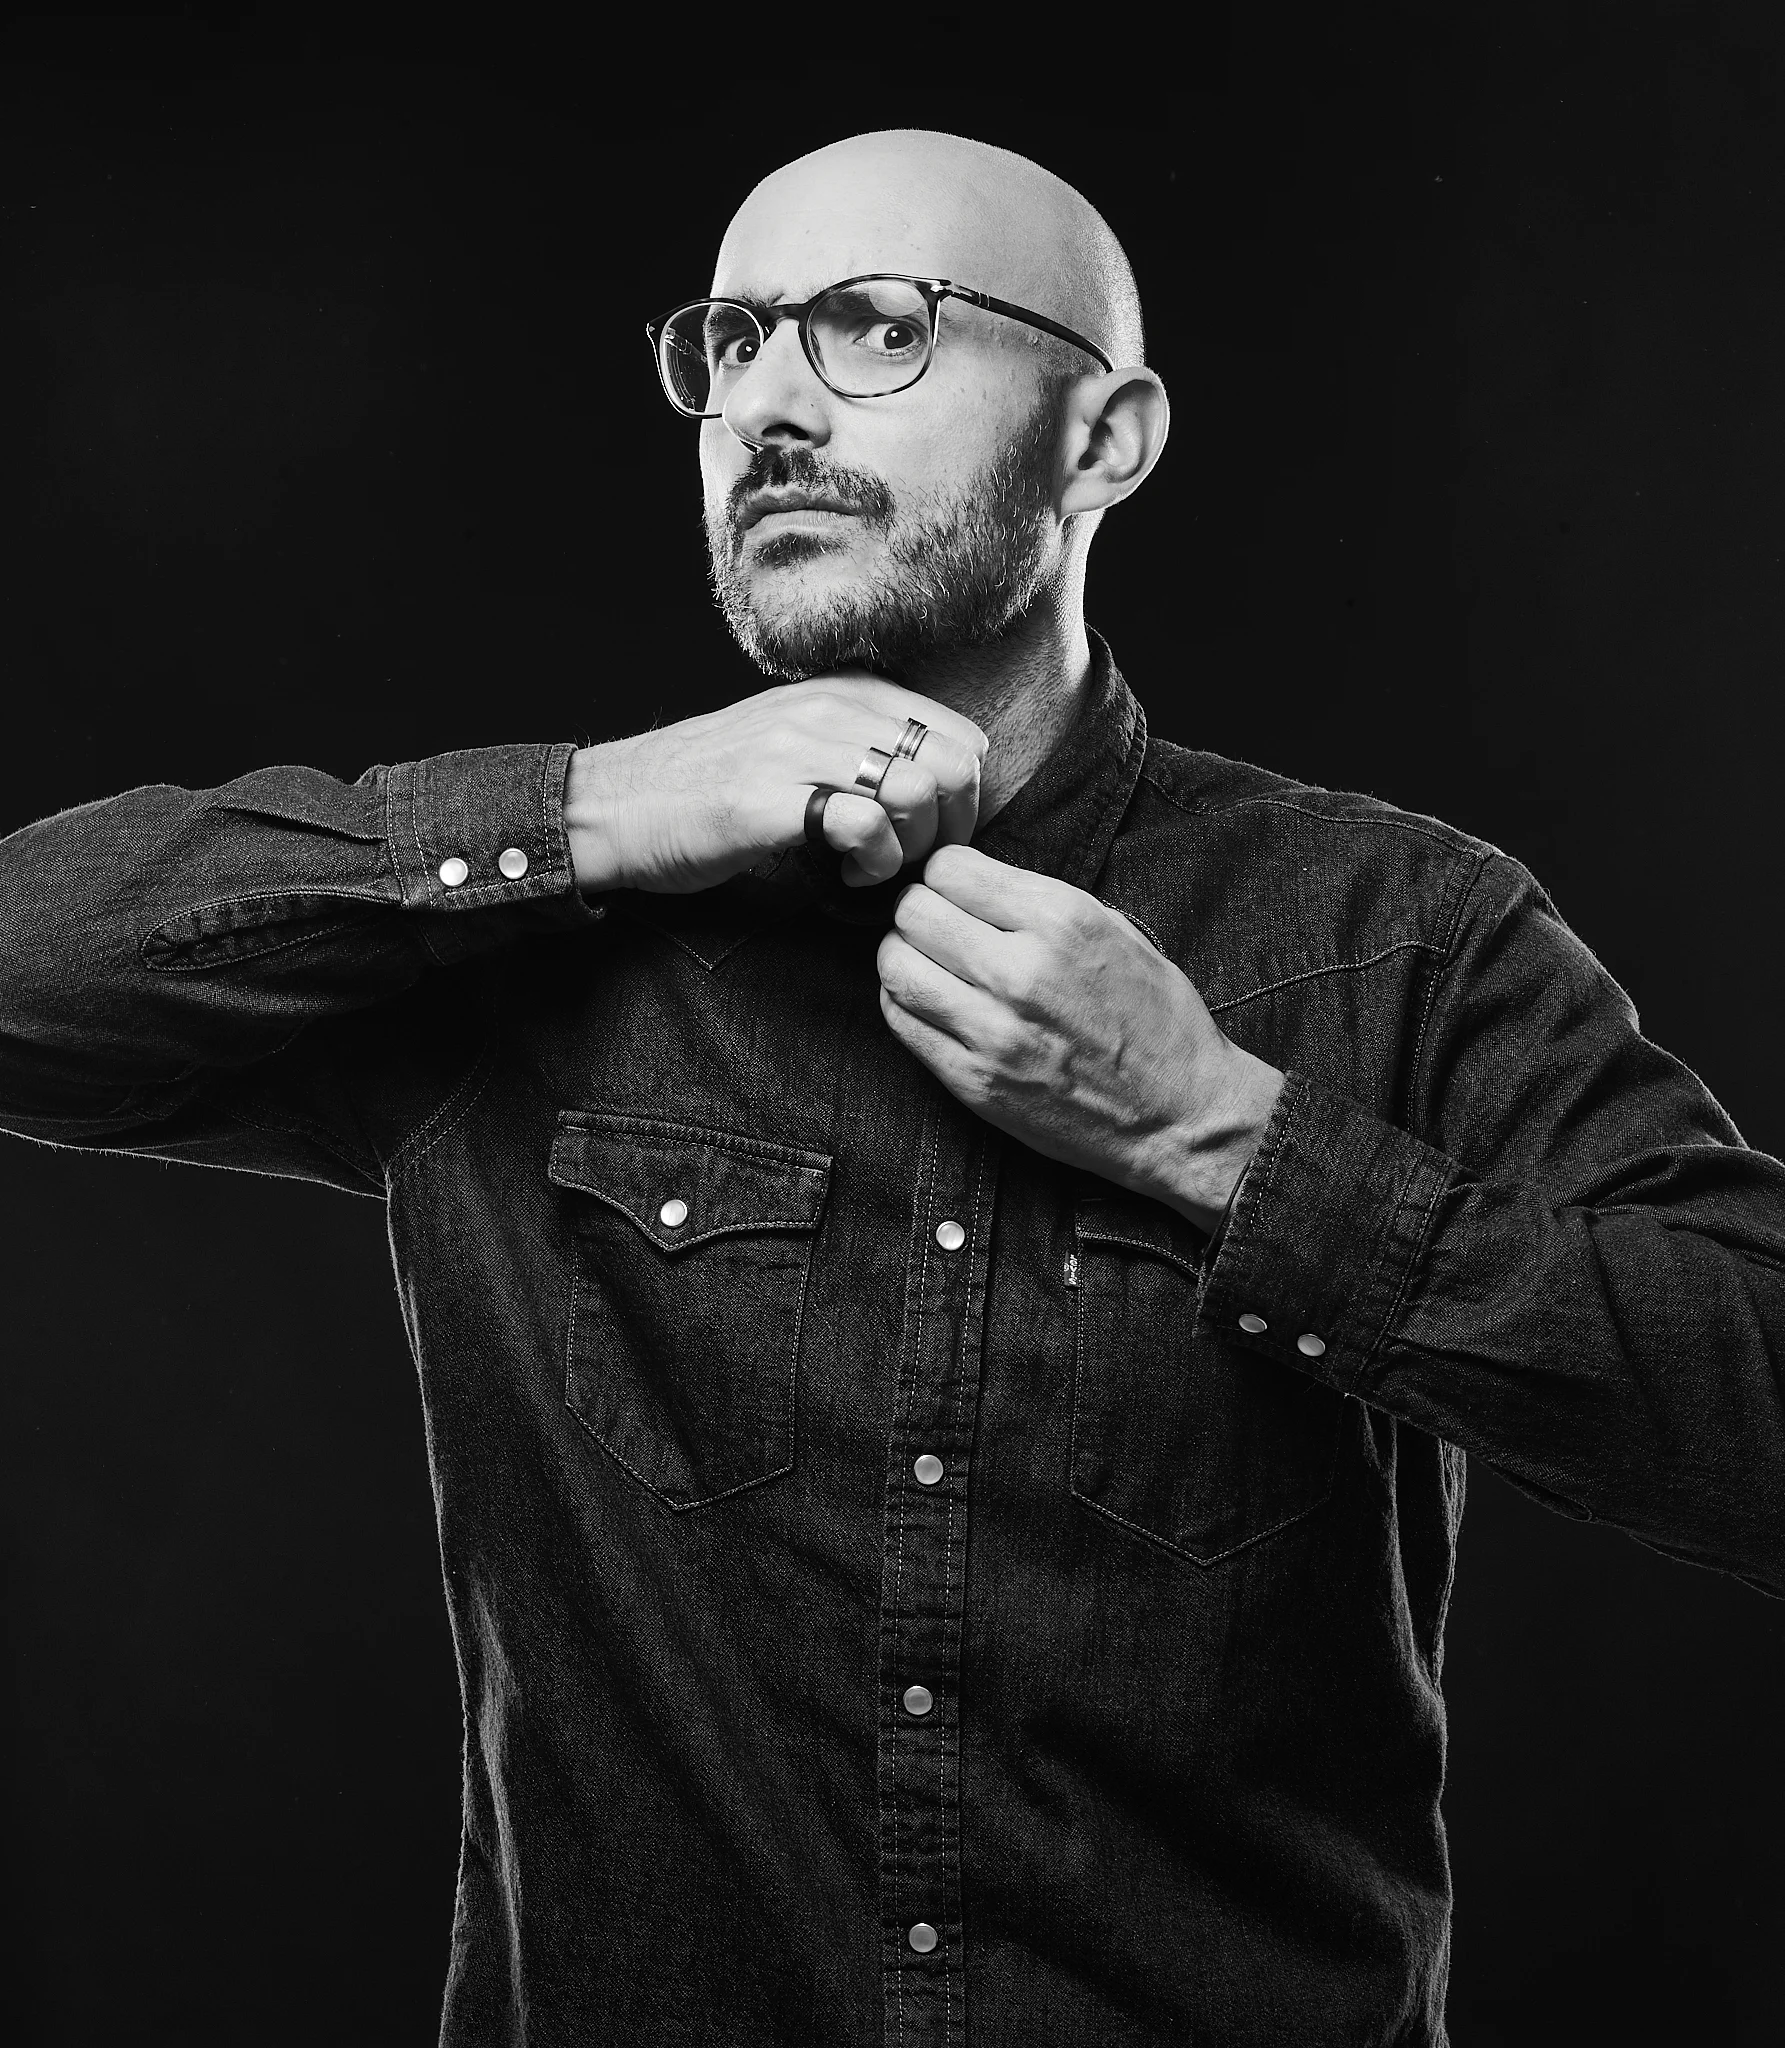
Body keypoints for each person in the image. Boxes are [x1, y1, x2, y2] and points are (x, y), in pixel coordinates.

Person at [2, 126, 1780, 2047]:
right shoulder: (527, 942)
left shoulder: (1396, 933)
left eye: (872, 327)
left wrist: (1222, 1137)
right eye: (732, 340)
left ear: (1106, 438)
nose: (768, 402)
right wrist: (591, 806)